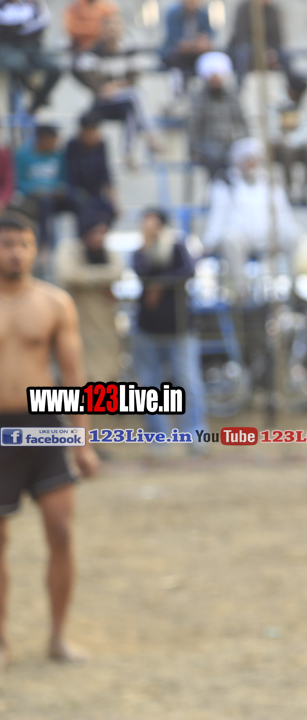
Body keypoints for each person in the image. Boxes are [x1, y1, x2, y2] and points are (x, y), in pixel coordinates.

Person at [0, 211, 100, 669]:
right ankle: (2, 640)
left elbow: (74, 377)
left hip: (42, 426)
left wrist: (83, 441)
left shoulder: (55, 303)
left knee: (61, 531)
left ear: (35, 249)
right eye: (7, 245)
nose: (15, 253)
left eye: (23, 244)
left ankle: (58, 637)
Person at [131, 207, 208, 446]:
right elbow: (141, 271)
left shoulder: (177, 245)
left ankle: (194, 436)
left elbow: (188, 270)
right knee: (149, 386)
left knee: (188, 383)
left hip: (180, 328)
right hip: (148, 328)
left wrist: (160, 285)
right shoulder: (140, 251)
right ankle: (158, 438)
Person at [203, 138, 301, 295]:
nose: (251, 163)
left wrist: (289, 229)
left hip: (269, 236)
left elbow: (283, 212)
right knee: (229, 239)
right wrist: (209, 242)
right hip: (243, 238)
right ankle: (241, 291)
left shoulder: (270, 182)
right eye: (247, 159)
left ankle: (295, 288)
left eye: (254, 159)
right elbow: (218, 215)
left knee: (295, 235)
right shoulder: (225, 183)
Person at [72, 14, 159, 166]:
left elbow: (134, 76)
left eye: (115, 27)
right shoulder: (94, 52)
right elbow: (79, 70)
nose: (112, 32)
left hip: (123, 99)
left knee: (133, 106)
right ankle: (151, 135)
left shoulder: (129, 50)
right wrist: (100, 88)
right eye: (109, 28)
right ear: (102, 31)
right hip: (102, 101)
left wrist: (116, 86)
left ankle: (128, 152)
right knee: (136, 96)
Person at [53, 205, 123, 383]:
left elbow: (117, 272)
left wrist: (86, 278)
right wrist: (99, 279)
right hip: (79, 322)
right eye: (96, 232)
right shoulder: (70, 249)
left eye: (103, 232)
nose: (99, 237)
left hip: (105, 324)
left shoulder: (107, 252)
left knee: (108, 373)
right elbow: (68, 274)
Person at [12, 123, 73, 264]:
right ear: (41, 139)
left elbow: (64, 179)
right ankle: (44, 248)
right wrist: (35, 190)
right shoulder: (22, 155)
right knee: (44, 206)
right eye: (51, 140)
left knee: (81, 202)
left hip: (55, 196)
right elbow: (18, 181)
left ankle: (83, 246)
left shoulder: (59, 155)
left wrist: (57, 188)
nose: (54, 144)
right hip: (31, 198)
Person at [188, 52, 249, 178]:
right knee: (215, 155)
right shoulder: (200, 99)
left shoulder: (231, 97)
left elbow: (242, 121)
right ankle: (218, 184)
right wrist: (194, 150)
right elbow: (193, 126)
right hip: (210, 143)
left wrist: (246, 141)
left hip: (232, 141)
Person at [228, 0, 305, 95]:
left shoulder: (273, 10)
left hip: (268, 48)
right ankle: (239, 87)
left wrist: (269, 52)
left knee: (286, 55)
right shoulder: (244, 8)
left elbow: (277, 37)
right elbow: (241, 35)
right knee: (243, 53)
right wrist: (258, 51)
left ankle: (293, 89)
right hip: (247, 47)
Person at [0, 0, 62, 114]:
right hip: (7, 48)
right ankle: (32, 85)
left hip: (31, 47)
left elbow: (42, 22)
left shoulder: (33, 5)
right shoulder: (3, 6)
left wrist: (21, 29)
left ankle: (37, 102)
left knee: (55, 69)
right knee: (17, 63)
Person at [64, 113, 118, 219]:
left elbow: (105, 174)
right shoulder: (73, 146)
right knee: (84, 206)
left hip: (95, 193)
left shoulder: (101, 145)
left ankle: (99, 229)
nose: (95, 134)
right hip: (76, 192)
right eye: (91, 131)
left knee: (109, 210)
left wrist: (114, 200)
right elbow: (71, 175)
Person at [270, 94, 307, 206]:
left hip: (298, 145)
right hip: (282, 148)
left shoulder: (303, 110)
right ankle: (289, 188)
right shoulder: (277, 107)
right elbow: (273, 130)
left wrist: (291, 140)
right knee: (287, 154)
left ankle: (306, 189)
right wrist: (283, 140)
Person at [160, 0, 214, 96]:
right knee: (176, 59)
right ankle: (179, 90)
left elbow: (209, 34)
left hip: (197, 53)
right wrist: (192, 45)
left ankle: (209, 93)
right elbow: (174, 39)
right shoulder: (173, 14)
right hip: (177, 53)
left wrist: (204, 42)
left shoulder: (203, 14)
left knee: (211, 59)